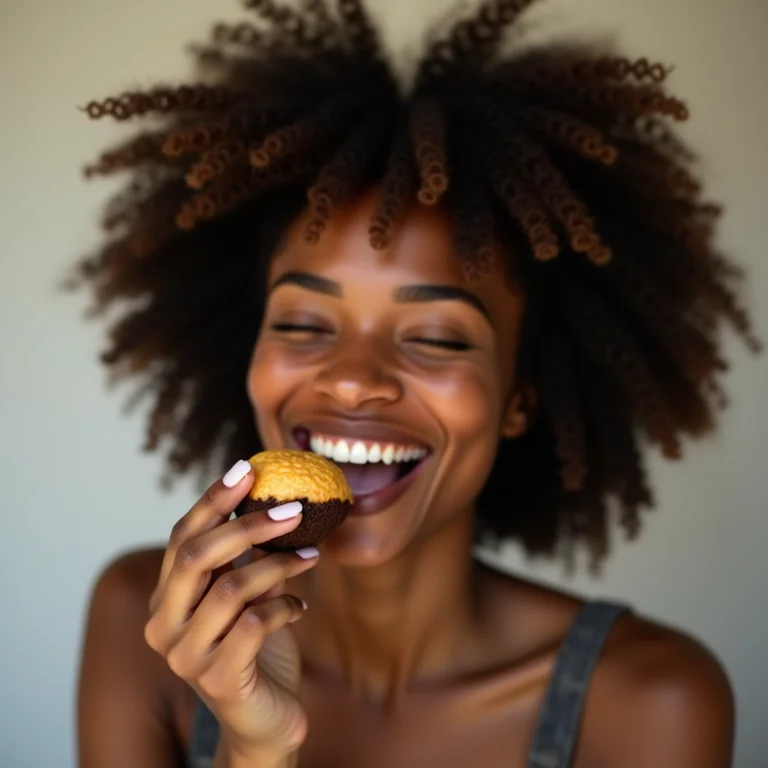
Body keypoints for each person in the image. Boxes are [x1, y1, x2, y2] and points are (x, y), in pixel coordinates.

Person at [72, 1, 759, 766]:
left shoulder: (651, 701)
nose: (353, 383)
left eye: (436, 337)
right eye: (303, 325)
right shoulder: (145, 625)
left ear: (519, 399)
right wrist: (255, 748)